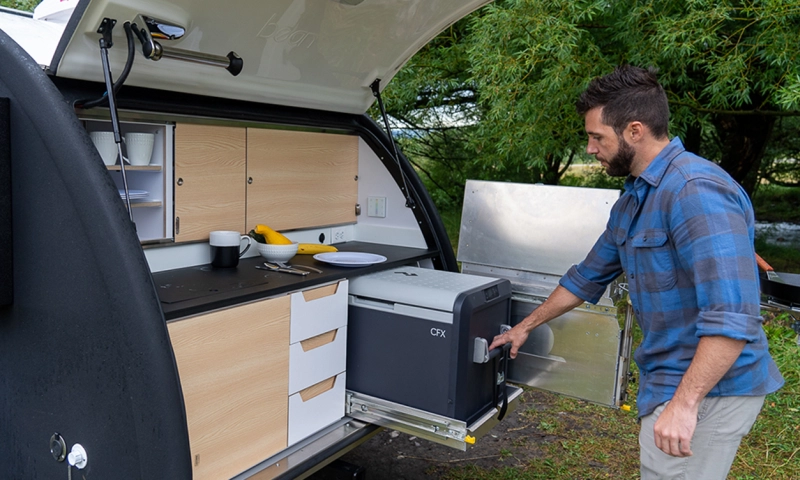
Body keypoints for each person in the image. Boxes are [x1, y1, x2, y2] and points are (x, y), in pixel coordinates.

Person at [489, 65, 784, 479]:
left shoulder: (694, 191)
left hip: (710, 388)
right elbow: (586, 276)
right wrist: (526, 325)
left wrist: (685, 405)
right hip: (671, 378)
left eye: (597, 137)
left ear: (634, 130)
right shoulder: (637, 196)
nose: (590, 148)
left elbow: (732, 316)